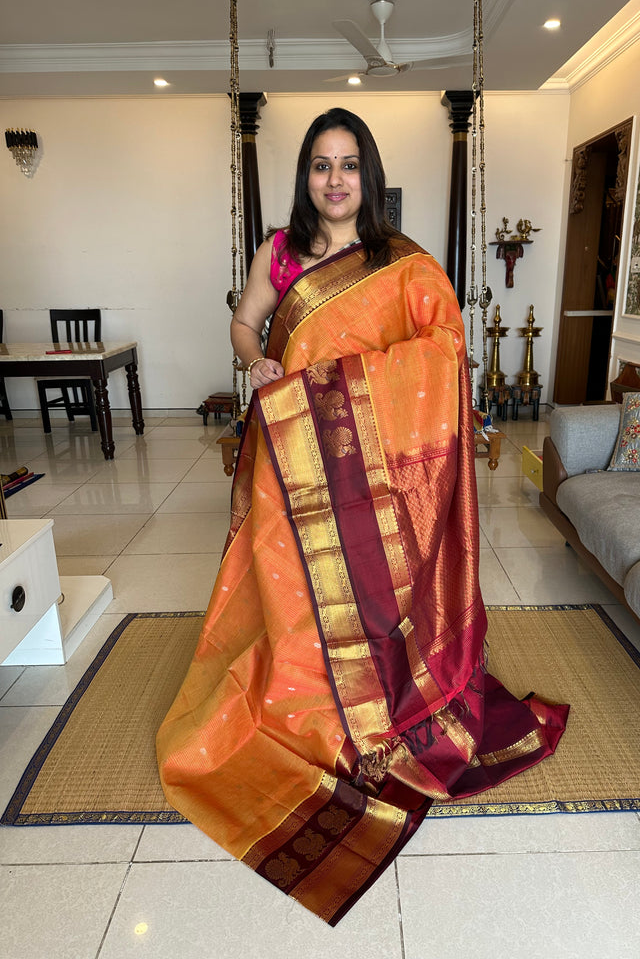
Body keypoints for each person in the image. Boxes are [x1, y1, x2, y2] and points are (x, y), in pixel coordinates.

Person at [157, 107, 568, 926]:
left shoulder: (401, 264)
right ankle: (300, 707)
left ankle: (366, 710)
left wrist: (356, 385)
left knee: (372, 590)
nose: (335, 180)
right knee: (288, 586)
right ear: (305, 175)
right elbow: (242, 326)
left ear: (367, 177)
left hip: (370, 468)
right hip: (290, 451)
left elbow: (444, 352)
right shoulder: (279, 252)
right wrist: (260, 359)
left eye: (348, 165)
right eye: (320, 165)